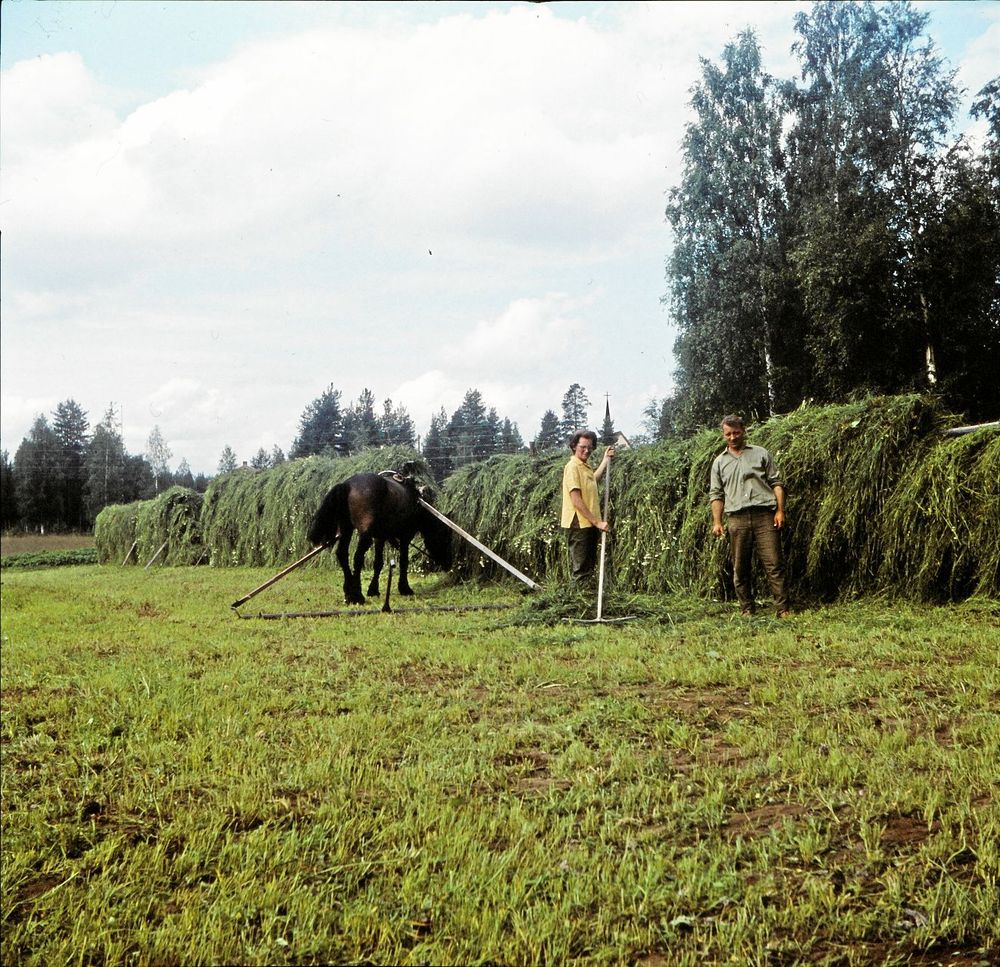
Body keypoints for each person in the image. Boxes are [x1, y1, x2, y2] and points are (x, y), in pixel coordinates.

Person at [709, 415, 790, 616]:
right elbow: (716, 494)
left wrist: (780, 511)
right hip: (737, 520)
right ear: (723, 435)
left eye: (736, 433)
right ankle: (746, 609)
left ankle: (783, 609)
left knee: (774, 564)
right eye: (728, 434)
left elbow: (776, 483)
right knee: (740, 567)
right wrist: (717, 522)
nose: (732, 437)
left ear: (743, 431)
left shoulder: (761, 453)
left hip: (765, 516)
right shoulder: (719, 462)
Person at [561, 430, 614, 582]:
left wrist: (605, 460)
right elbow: (576, 500)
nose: (586, 450)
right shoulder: (572, 467)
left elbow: (592, 480)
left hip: (588, 522)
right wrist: (597, 522)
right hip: (579, 523)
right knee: (581, 569)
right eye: (583, 447)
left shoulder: (585, 466)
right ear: (574, 446)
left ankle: (585, 593)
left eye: (590, 447)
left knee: (589, 564)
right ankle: (577, 595)